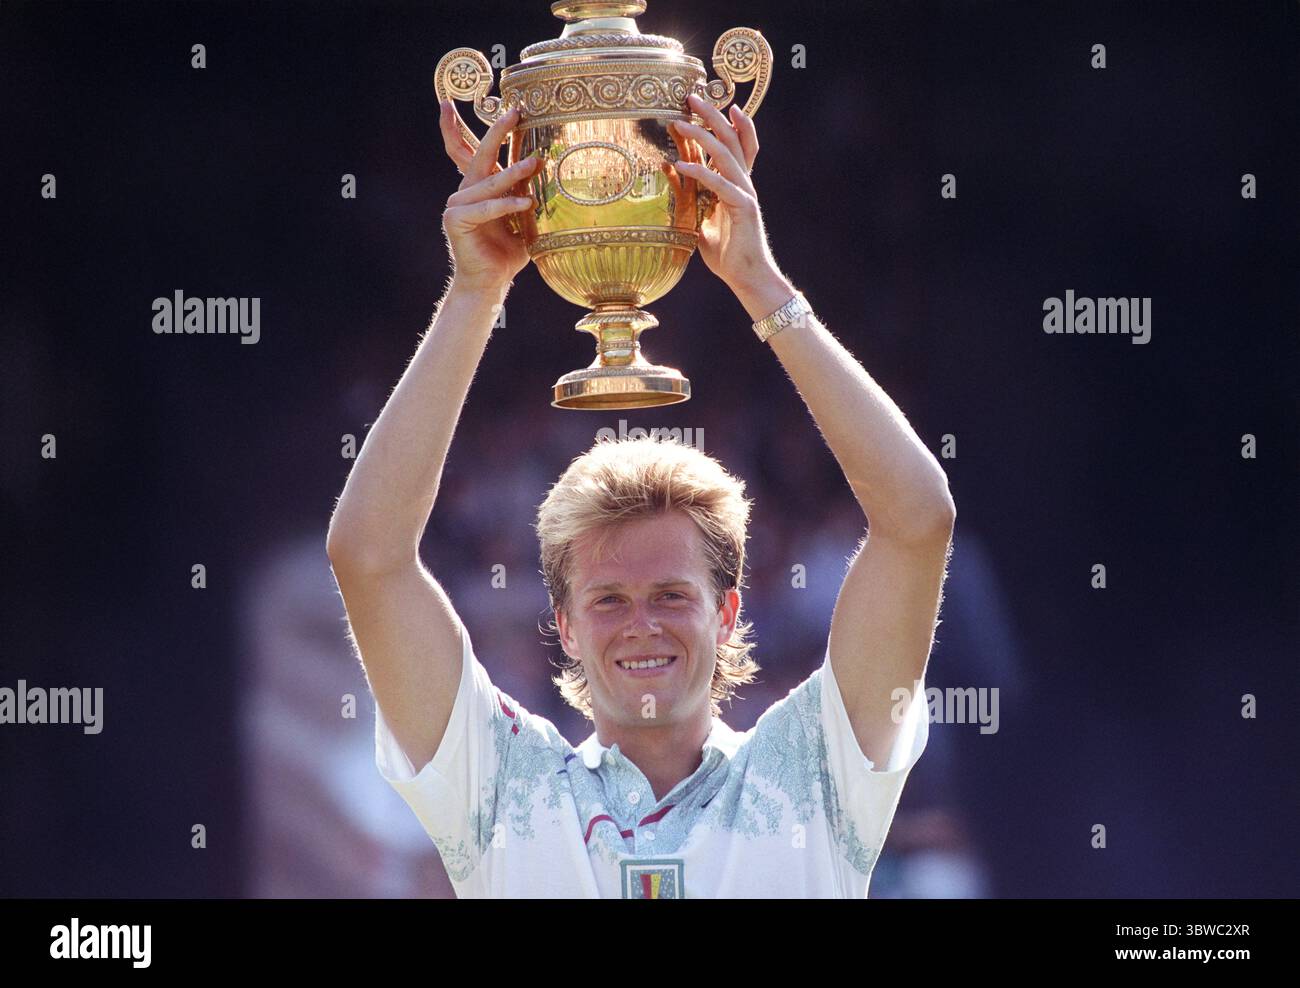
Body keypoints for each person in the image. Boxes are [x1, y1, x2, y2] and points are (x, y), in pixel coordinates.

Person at [326, 92, 956, 897]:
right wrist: (473, 294)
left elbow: (918, 520)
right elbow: (367, 557)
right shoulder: (502, 788)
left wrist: (760, 283)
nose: (642, 625)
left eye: (669, 593)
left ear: (727, 611)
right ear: (563, 624)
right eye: (610, 599)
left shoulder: (815, 774)